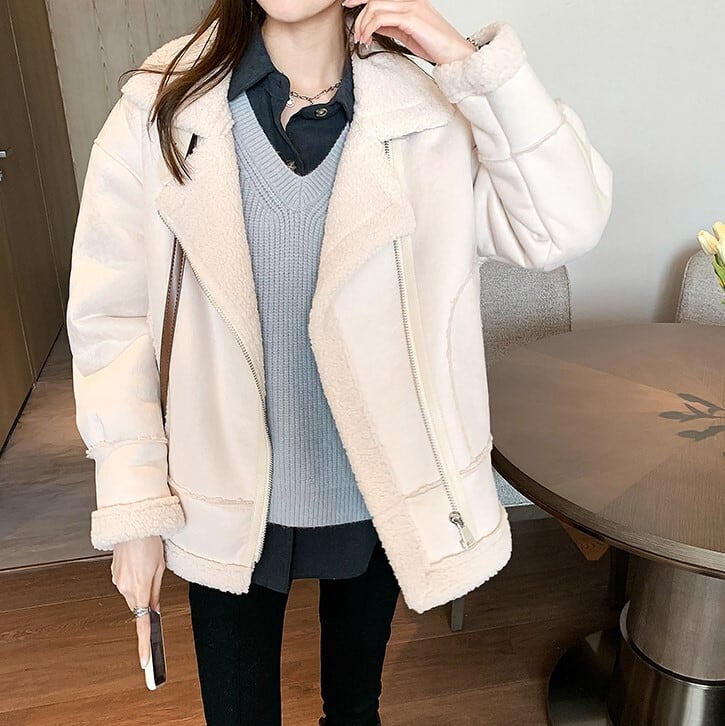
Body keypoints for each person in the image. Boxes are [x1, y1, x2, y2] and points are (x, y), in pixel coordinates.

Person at [65, 1, 613, 724]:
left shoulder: (427, 114)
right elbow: (112, 321)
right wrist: (133, 501)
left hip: (381, 488)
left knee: (355, 709)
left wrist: (466, 63)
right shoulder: (159, 106)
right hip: (218, 494)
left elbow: (564, 223)